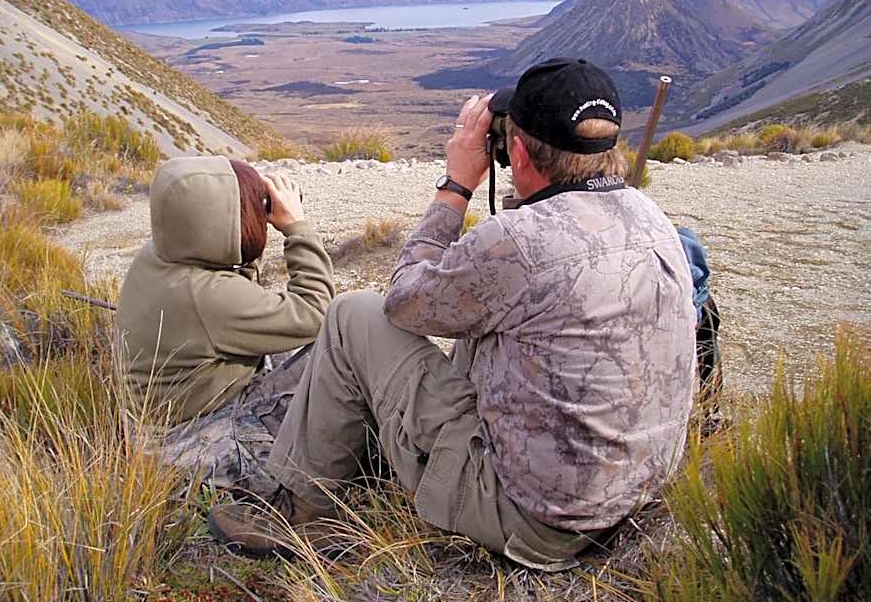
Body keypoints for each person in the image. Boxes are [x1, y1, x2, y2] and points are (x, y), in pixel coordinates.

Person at [207, 59, 697, 571]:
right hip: (629, 498)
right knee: (481, 321)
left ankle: (299, 513)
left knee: (354, 316)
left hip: (538, 522)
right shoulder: (649, 216)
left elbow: (404, 300)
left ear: (520, 151)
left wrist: (456, 184)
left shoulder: (519, 242)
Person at [116, 155, 335, 427]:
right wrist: (295, 227)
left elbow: (236, 280)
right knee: (339, 345)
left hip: (163, 414)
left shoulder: (163, 254)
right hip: (194, 434)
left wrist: (245, 222)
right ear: (224, 223)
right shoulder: (206, 295)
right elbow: (316, 312)